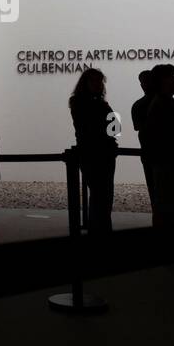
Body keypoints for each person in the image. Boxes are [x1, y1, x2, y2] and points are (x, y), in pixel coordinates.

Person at [69, 68, 117, 235]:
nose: (98, 85)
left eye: (100, 81)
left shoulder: (81, 102)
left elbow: (114, 128)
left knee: (102, 196)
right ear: (86, 83)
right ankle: (100, 231)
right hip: (96, 154)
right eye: (95, 81)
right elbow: (115, 128)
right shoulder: (97, 104)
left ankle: (99, 231)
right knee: (101, 196)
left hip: (97, 153)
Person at [143, 63, 174, 231]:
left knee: (167, 207)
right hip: (167, 164)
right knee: (167, 207)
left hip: (166, 163)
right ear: (165, 80)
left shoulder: (163, 103)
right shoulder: (164, 105)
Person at [131, 70, 155, 206]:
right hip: (151, 154)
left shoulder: (138, 105)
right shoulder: (139, 105)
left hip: (150, 153)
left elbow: (138, 127)